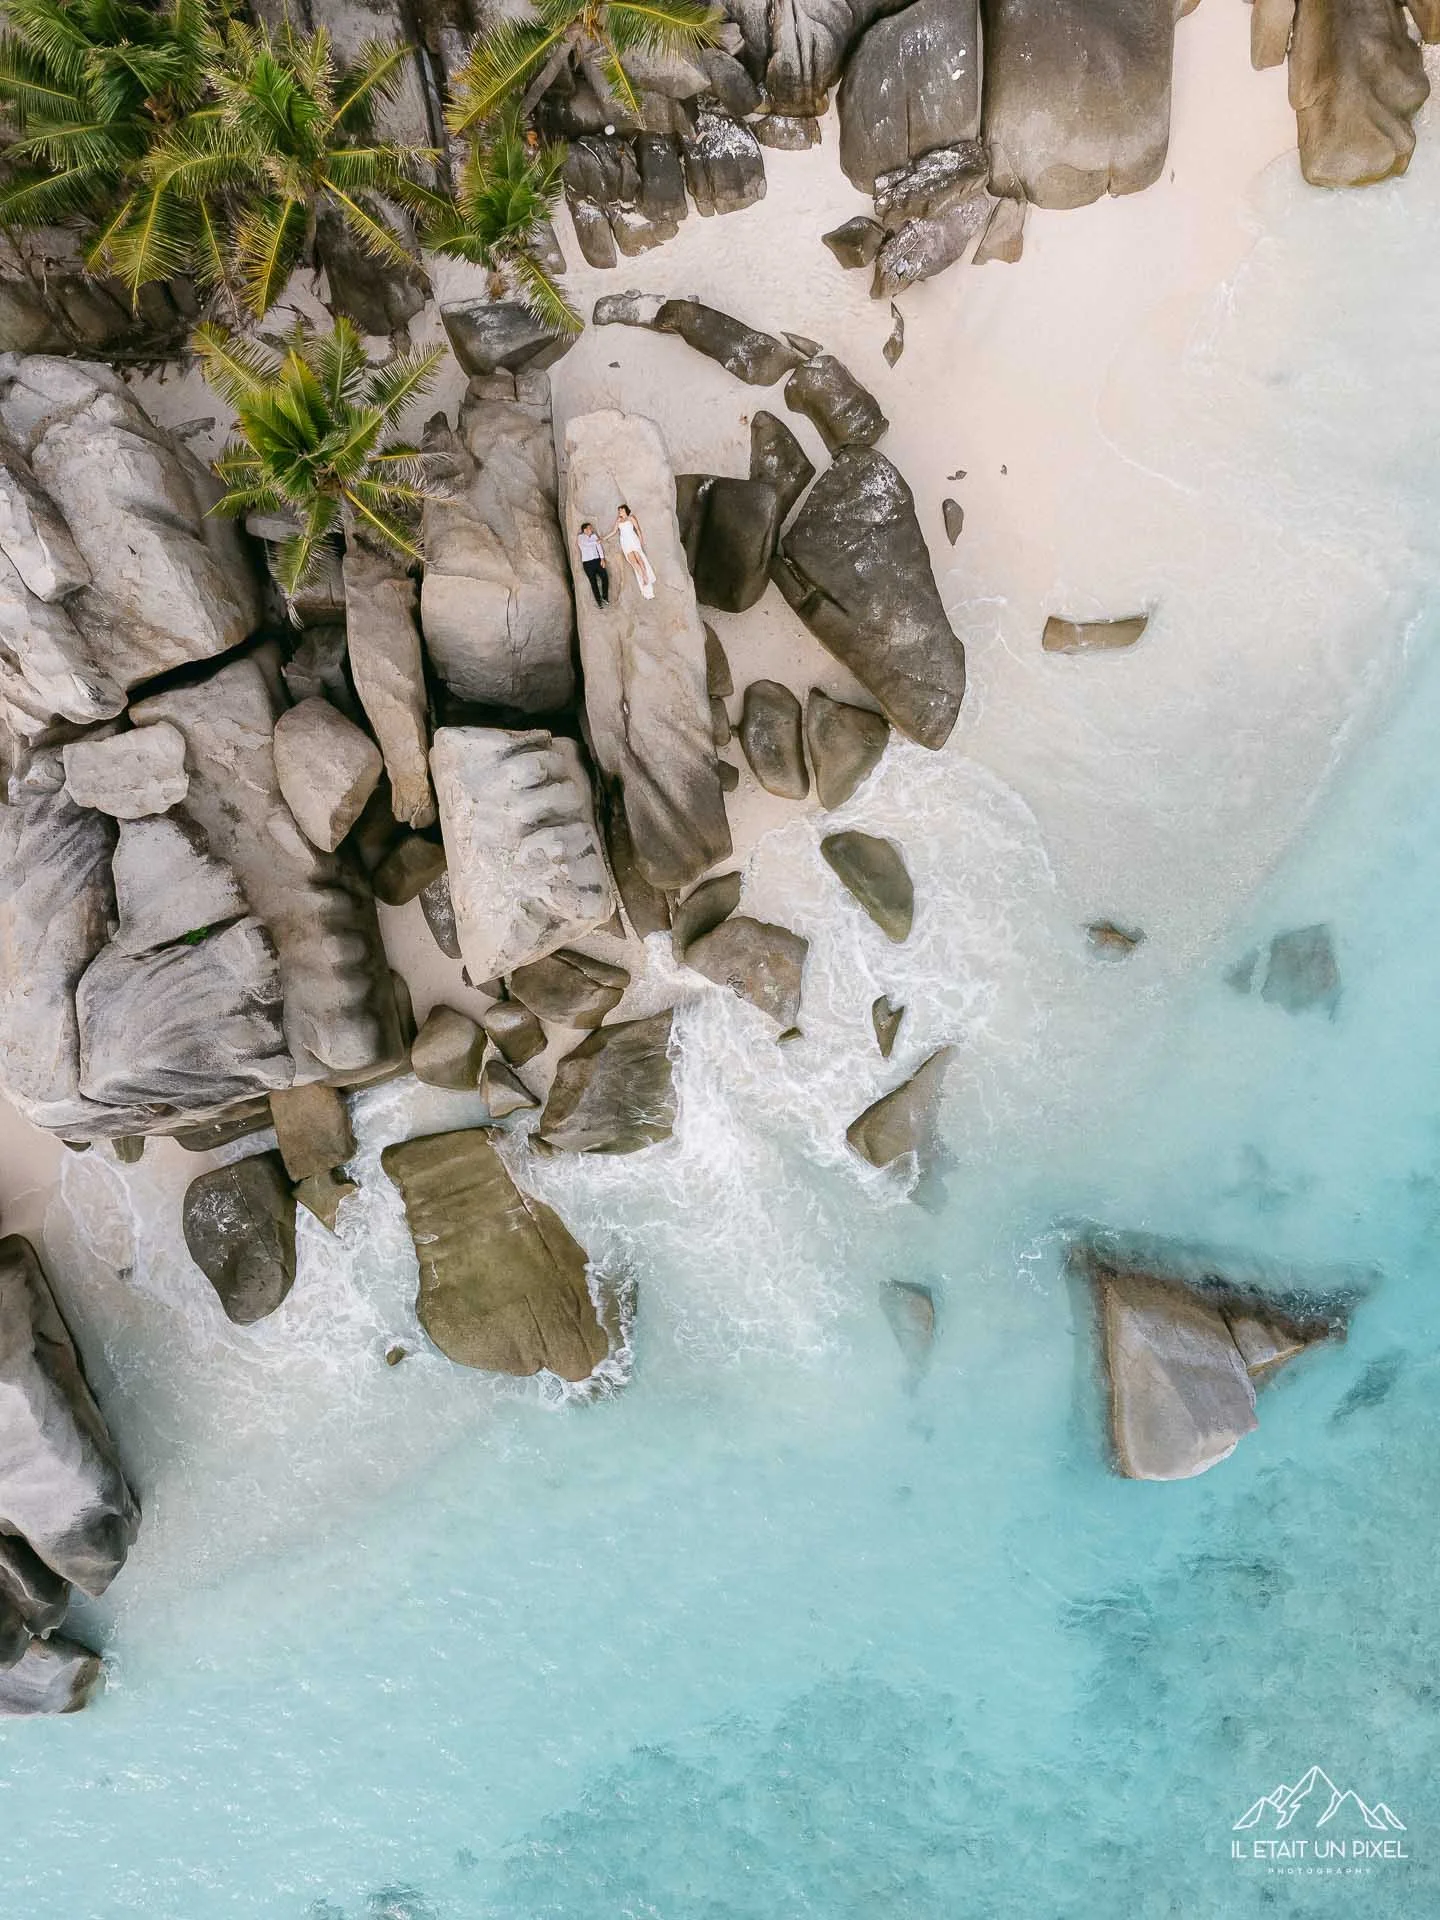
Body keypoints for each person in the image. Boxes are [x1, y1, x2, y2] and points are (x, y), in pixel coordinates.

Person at [610, 504, 656, 599]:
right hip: (625, 542)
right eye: (619, 511)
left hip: (633, 539)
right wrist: (603, 538)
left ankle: (645, 577)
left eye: (621, 510)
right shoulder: (619, 520)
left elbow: (638, 529)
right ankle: (643, 577)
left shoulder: (631, 518)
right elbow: (614, 531)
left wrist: (641, 541)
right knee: (633, 562)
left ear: (625, 510)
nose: (619, 512)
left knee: (639, 559)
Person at [576, 521, 609, 606]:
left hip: (597, 561)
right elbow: (587, 544)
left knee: (605, 578)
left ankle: (605, 597)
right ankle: (599, 602)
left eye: (591, 528)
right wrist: (598, 541)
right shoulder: (580, 537)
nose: (592, 529)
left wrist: (602, 559)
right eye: (590, 528)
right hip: (587, 563)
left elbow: (599, 548)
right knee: (593, 582)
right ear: (585, 530)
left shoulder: (594, 536)